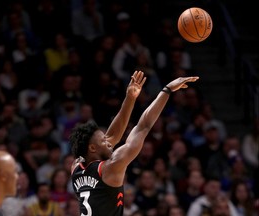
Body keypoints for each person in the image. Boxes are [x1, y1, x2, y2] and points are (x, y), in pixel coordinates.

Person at [70, 75, 199, 216]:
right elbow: (143, 126)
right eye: (103, 141)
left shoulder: (76, 166)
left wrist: (130, 98)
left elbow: (113, 135)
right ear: (92, 148)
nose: (108, 141)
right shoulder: (112, 166)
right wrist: (167, 90)